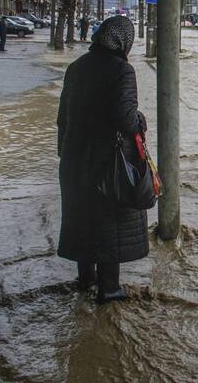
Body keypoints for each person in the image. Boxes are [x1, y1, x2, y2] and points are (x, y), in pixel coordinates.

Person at [57, 16, 148, 304]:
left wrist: (65, 152)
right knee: (110, 223)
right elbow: (125, 118)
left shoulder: (75, 68)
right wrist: (140, 120)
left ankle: (86, 280)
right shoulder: (122, 70)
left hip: (73, 160)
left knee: (82, 220)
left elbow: (62, 118)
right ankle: (109, 289)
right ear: (123, 41)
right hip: (108, 162)